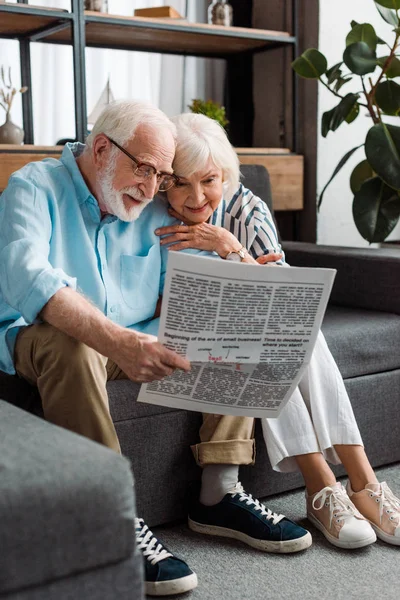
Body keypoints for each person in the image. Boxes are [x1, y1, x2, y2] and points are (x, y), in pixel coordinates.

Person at [155, 111, 400, 550]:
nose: (196, 198)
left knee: (287, 327)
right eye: (180, 182)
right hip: (186, 333)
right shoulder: (150, 216)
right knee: (263, 325)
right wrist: (251, 276)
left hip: (255, 324)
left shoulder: (245, 207)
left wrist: (230, 249)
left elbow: (289, 302)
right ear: (163, 181)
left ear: (225, 175)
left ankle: (357, 483)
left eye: (209, 180)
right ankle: (326, 484)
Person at [0, 100, 201, 597]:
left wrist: (228, 252)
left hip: (129, 341)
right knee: (74, 343)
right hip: (39, 341)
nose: (153, 188)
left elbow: (190, 287)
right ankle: (114, 522)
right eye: (145, 168)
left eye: (162, 175)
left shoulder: (152, 207)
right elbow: (34, 283)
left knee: (215, 327)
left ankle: (222, 490)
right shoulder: (34, 187)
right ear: (102, 148)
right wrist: (117, 340)